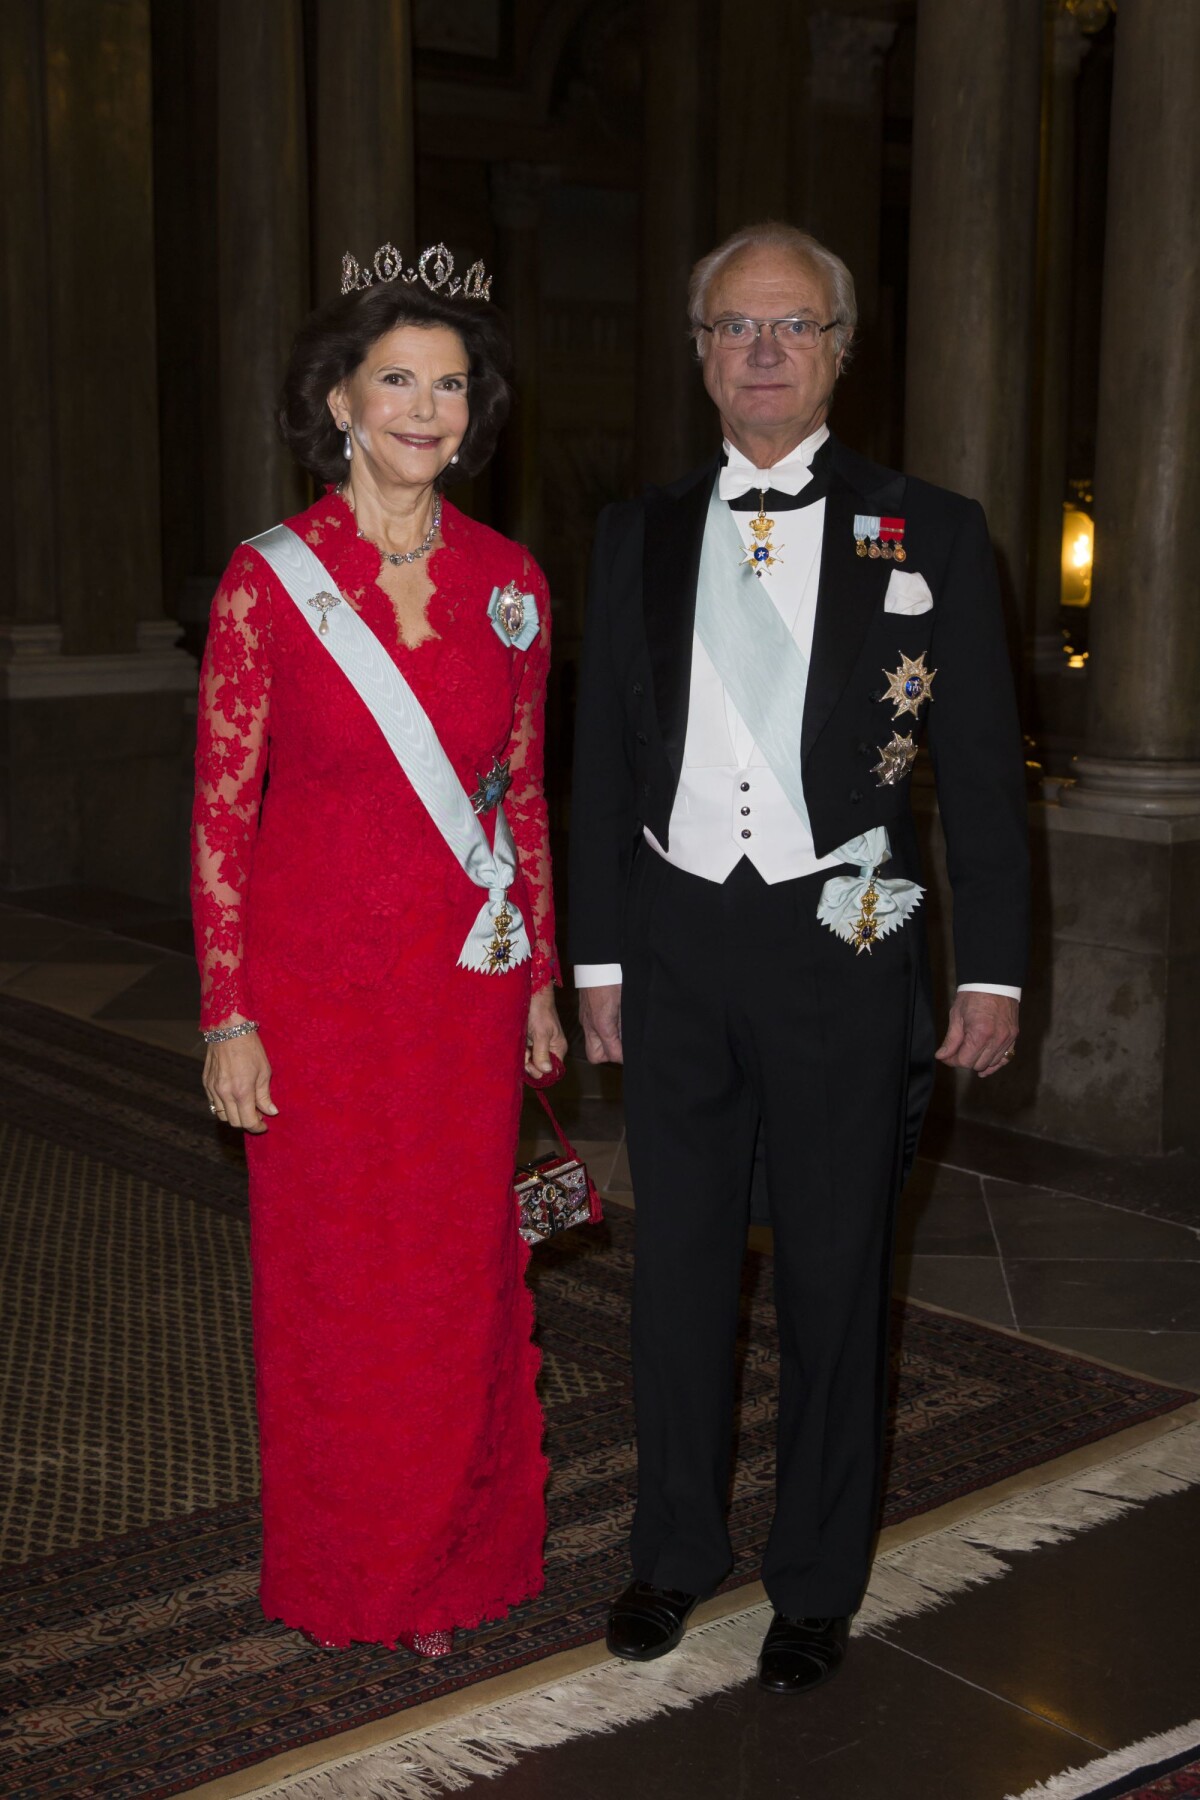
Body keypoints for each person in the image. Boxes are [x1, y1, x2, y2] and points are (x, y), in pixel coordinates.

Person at [569, 222, 1028, 1694]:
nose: (762, 350)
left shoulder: (932, 530)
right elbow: (591, 770)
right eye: (734, 327)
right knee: (681, 1274)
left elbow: (975, 772)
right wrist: (593, 961)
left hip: (851, 935)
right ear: (699, 354)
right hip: (675, 939)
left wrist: (995, 968)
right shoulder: (632, 533)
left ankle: (818, 1578)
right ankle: (675, 1553)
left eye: (793, 325)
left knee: (837, 1276)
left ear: (839, 349)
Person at [191, 240, 567, 1656]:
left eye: (452, 386)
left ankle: (455, 1565)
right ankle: (360, 1571)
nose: (426, 409)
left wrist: (535, 976)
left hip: (460, 996)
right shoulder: (268, 583)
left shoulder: (511, 579)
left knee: (455, 1281)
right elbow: (223, 812)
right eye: (396, 380)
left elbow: (522, 795)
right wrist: (228, 1011)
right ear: (339, 399)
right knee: (340, 1293)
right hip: (318, 1000)